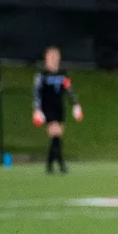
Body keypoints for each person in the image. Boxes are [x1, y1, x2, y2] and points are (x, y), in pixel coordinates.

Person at [32, 46, 83, 174]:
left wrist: (75, 104)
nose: (54, 59)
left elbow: (69, 90)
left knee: (57, 137)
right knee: (55, 135)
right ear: (46, 59)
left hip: (59, 107)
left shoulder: (63, 74)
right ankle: (61, 164)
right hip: (47, 108)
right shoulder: (42, 75)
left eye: (56, 56)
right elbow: (37, 93)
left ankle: (50, 165)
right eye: (51, 56)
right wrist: (37, 109)